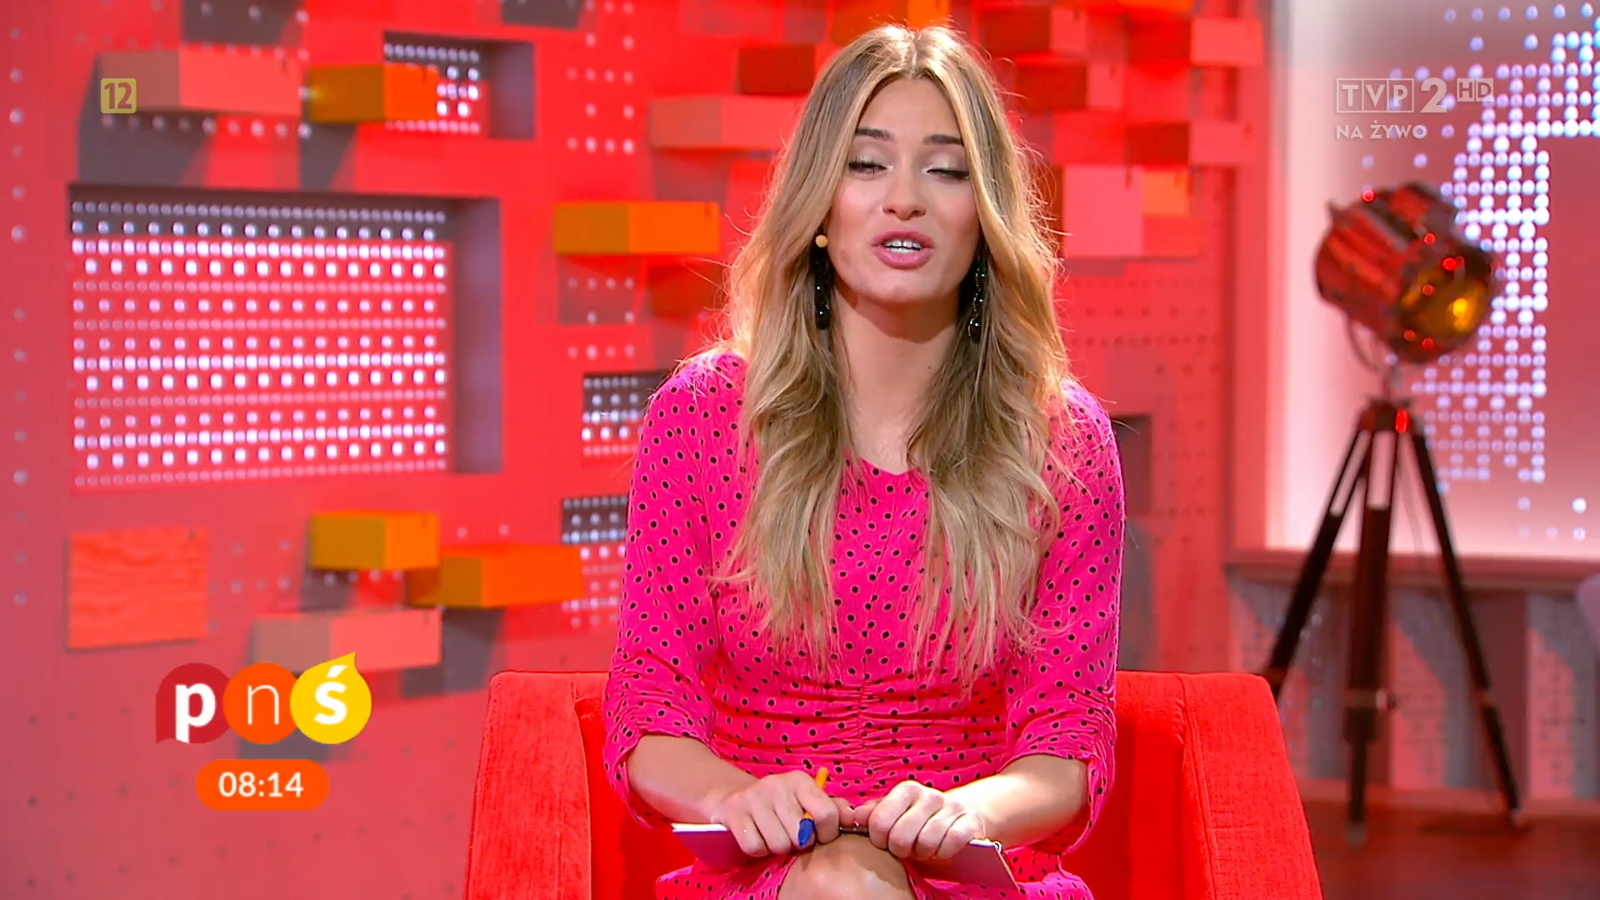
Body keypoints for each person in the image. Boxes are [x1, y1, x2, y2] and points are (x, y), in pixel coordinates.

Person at [602, 23, 1124, 900]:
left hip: (971, 871)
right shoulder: (702, 418)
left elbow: (1068, 740)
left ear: (985, 215)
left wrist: (967, 812)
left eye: (946, 170)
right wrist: (735, 798)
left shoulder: (1062, 442)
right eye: (867, 164)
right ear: (819, 204)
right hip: (766, 870)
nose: (904, 200)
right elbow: (649, 704)